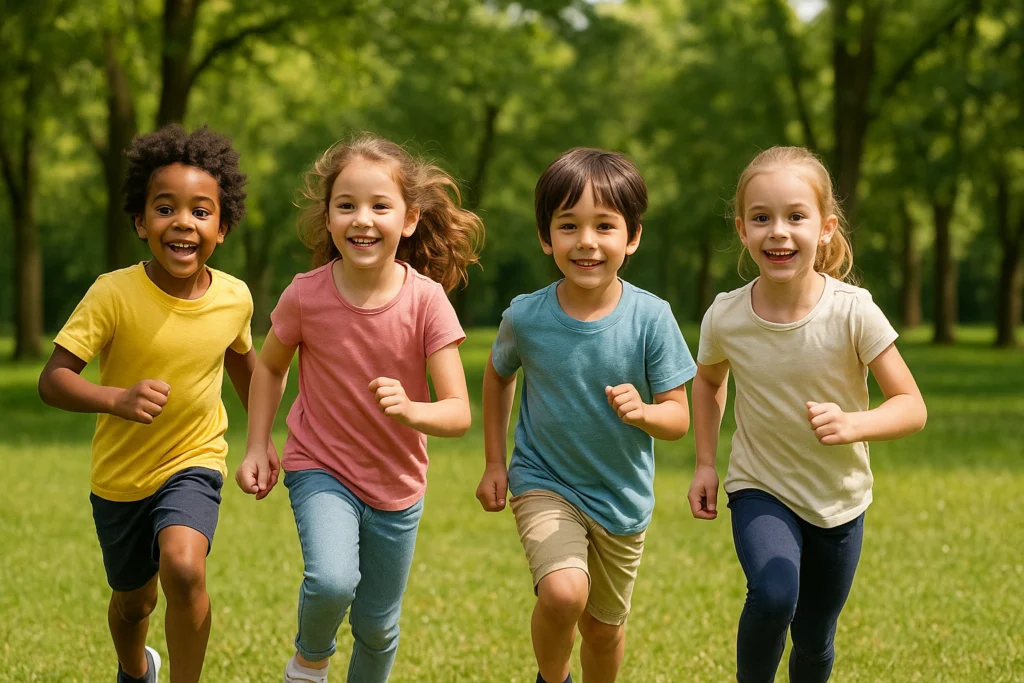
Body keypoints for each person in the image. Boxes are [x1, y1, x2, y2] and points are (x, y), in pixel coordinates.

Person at [237, 133, 484, 683]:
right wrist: (258, 443)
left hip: (397, 484)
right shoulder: (305, 295)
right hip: (320, 467)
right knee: (331, 580)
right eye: (346, 205)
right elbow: (270, 368)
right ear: (328, 218)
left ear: (410, 219)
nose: (362, 220)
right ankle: (310, 660)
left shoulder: (427, 302)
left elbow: (458, 412)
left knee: (377, 627)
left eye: (380, 206)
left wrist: (411, 410)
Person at [687, 146, 927, 682]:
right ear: (742, 230)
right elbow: (708, 381)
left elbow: (912, 406)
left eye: (796, 216)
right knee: (773, 595)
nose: (778, 231)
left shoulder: (853, 311)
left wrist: (854, 424)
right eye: (761, 218)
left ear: (825, 229)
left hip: (838, 499)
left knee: (815, 638)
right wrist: (705, 463)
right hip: (760, 486)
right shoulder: (726, 315)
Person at [38, 124, 264, 683]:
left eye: (200, 212)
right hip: (120, 476)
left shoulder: (233, 297)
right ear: (141, 222)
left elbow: (246, 366)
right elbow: (53, 380)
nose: (183, 222)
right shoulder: (112, 294)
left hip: (194, 459)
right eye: (165, 209)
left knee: (184, 570)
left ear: (222, 227)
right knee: (133, 602)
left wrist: (262, 440)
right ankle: (137, 670)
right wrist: (115, 398)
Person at [475, 147, 696, 683]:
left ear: (632, 236)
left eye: (605, 225)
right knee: (562, 592)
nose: (586, 241)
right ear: (546, 236)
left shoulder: (652, 318)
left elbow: (678, 419)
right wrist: (495, 463)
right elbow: (498, 376)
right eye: (569, 225)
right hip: (544, 480)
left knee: (602, 630)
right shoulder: (526, 316)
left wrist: (644, 413)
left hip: (621, 498)